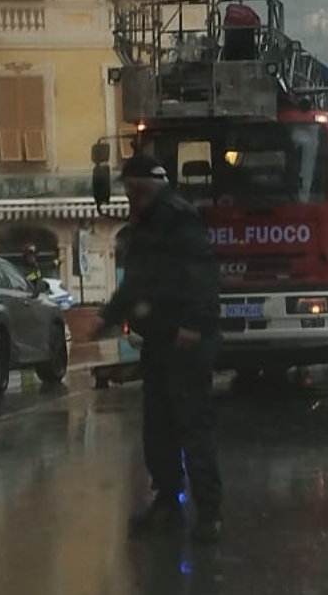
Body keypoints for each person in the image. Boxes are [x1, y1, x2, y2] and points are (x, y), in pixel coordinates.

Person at [78, 153, 223, 542]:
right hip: (160, 340)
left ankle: (209, 513)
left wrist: (193, 325)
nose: (130, 197)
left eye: (135, 189)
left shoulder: (179, 218)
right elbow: (136, 284)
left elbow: (202, 273)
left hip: (187, 340)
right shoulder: (144, 223)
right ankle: (167, 504)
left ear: (150, 186)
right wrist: (105, 318)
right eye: (128, 191)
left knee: (192, 424)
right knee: (158, 425)